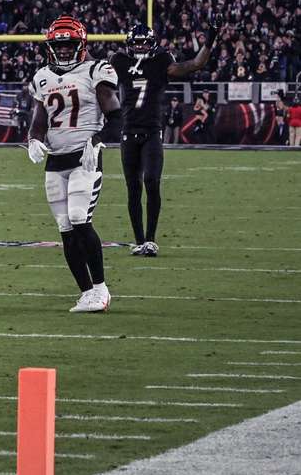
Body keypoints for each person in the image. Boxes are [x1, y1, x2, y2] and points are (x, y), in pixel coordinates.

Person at [27, 15, 123, 313]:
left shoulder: (96, 70)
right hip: (56, 161)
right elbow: (40, 119)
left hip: (85, 157)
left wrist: (97, 140)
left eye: (69, 45)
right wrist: (33, 139)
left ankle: (101, 289)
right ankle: (85, 292)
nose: (64, 51)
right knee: (65, 227)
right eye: (60, 46)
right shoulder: (42, 76)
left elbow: (116, 115)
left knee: (80, 217)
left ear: (80, 45)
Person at [111, 18, 221, 257]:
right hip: (129, 132)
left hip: (151, 132)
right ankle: (139, 240)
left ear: (151, 44)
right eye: (136, 44)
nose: (140, 48)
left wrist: (211, 37)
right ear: (129, 44)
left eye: (143, 44)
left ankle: (150, 240)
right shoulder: (118, 61)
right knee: (133, 189)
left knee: (151, 181)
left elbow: (194, 64)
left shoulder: (162, 60)